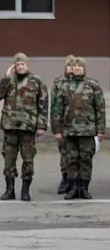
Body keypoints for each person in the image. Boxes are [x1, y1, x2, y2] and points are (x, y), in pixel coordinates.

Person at [0, 53, 48, 201]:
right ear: (14, 66)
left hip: (28, 127)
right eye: (17, 64)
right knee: (9, 159)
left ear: (27, 65)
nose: (20, 66)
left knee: (28, 160)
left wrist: (41, 125)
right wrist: (5, 77)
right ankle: (9, 190)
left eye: (22, 64)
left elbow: (43, 104)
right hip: (10, 127)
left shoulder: (37, 81)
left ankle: (25, 190)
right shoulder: (9, 80)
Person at [51, 57, 105, 199]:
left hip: (87, 130)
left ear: (84, 68)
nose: (77, 68)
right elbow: (57, 109)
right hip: (69, 130)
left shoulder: (93, 85)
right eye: (74, 66)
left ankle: (84, 188)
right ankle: (73, 187)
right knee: (71, 160)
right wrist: (56, 130)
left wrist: (100, 130)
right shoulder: (63, 86)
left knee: (86, 159)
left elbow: (100, 108)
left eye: (80, 66)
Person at [51, 56, 75, 194]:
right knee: (64, 153)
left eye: (74, 65)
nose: (72, 68)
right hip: (64, 125)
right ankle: (65, 178)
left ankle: (75, 181)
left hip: (79, 126)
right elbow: (54, 107)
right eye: (69, 66)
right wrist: (56, 129)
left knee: (77, 155)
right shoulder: (58, 83)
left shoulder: (84, 82)